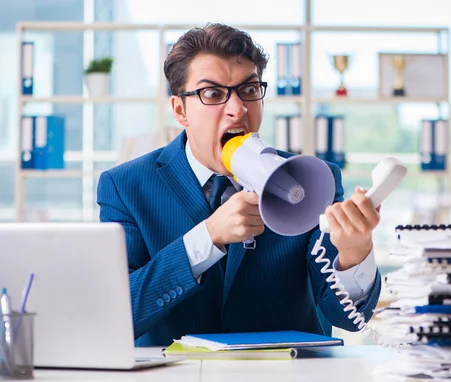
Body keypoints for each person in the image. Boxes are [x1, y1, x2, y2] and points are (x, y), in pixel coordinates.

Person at [97, 23, 382, 347]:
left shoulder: (310, 179)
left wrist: (355, 251)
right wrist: (207, 237)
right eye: (213, 94)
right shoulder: (125, 186)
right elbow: (117, 316)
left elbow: (346, 316)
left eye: (249, 90)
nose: (238, 109)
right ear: (180, 110)